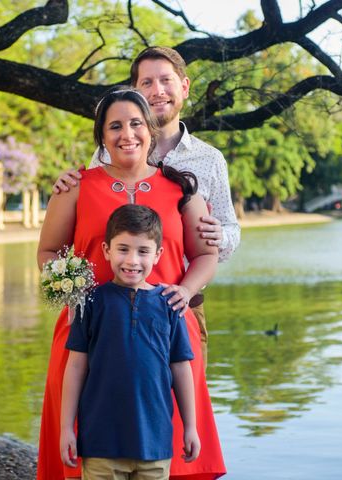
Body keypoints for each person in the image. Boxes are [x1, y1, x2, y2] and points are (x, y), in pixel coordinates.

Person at [37, 87, 226, 480]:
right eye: (115, 126)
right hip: (87, 335)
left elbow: (207, 255)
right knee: (86, 446)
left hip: (165, 335)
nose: (127, 134)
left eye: (136, 124)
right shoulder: (74, 188)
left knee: (168, 443)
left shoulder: (181, 190)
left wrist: (186, 291)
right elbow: (49, 251)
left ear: (151, 130)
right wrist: (73, 294)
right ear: (101, 136)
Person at [53, 47, 240, 366]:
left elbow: (228, 232)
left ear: (184, 86)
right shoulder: (106, 153)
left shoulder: (208, 160)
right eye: (147, 83)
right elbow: (90, 219)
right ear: (135, 91)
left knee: (180, 409)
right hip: (106, 310)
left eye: (166, 80)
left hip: (179, 304)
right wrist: (66, 190)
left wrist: (218, 235)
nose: (158, 91)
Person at [60, 204, 200, 480]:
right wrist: (67, 427)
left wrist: (191, 426)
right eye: (123, 249)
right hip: (101, 443)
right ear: (106, 251)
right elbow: (76, 367)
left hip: (155, 444)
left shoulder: (170, 304)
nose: (132, 260)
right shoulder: (90, 302)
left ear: (158, 254)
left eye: (143, 251)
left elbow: (181, 369)